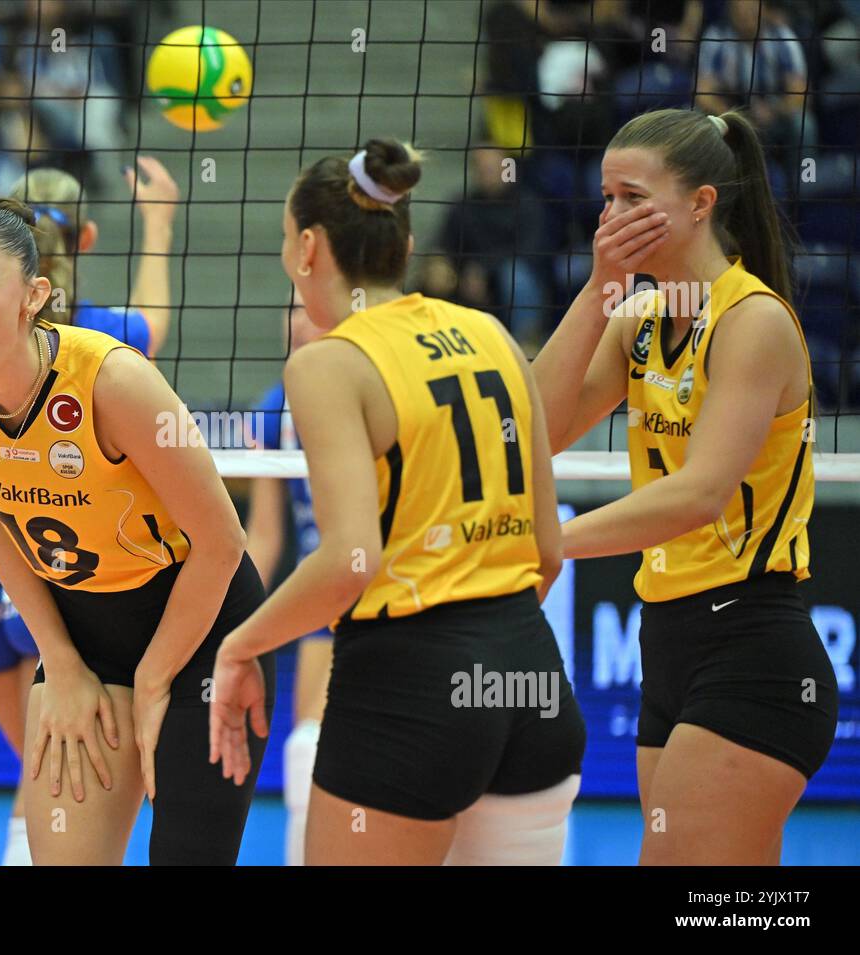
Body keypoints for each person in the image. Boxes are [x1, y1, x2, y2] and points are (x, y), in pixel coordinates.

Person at [210, 138, 585, 866]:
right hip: (532, 683)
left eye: (288, 240)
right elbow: (547, 550)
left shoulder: (325, 364)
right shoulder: (493, 334)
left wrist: (240, 643)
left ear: (309, 248)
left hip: (408, 689)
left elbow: (352, 560)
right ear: (405, 242)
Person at [0, 191, 274, 865]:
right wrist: (64, 662)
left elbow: (223, 542)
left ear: (34, 295)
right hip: (84, 638)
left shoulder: (112, 381)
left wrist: (158, 676)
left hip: (202, 634)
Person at [531, 108, 838, 865]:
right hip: (666, 644)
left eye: (635, 198)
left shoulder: (753, 320)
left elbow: (700, 493)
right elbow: (530, 431)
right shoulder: (637, 316)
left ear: (701, 203)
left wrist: (553, 542)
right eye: (607, 199)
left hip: (753, 648)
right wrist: (603, 282)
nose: (613, 216)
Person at [244, 299, 330, 866]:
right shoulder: (272, 413)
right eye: (291, 309)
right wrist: (230, 625)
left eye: (312, 309)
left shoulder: (379, 386)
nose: (299, 320)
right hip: (324, 597)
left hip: (398, 591)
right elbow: (265, 538)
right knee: (307, 751)